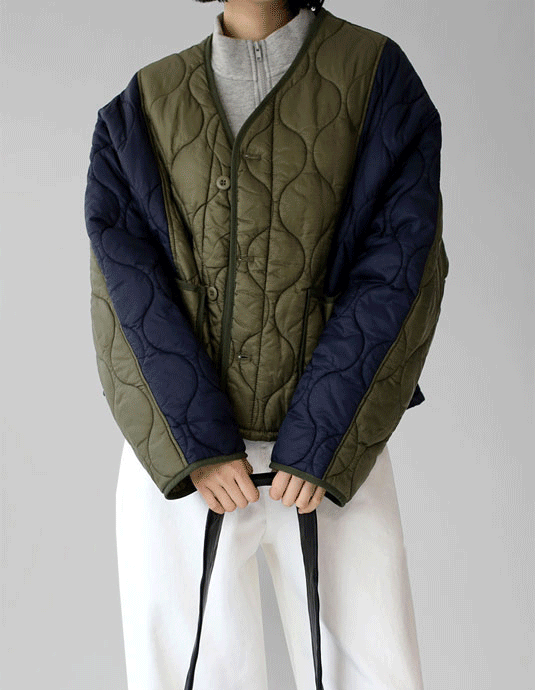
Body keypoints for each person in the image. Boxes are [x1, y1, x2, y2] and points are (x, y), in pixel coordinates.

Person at [84, 1, 448, 688]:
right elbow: (125, 292)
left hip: (336, 451)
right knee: (186, 675)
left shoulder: (376, 74)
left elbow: (402, 268)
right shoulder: (142, 104)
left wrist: (323, 440)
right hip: (185, 460)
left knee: (373, 672)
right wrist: (195, 444)